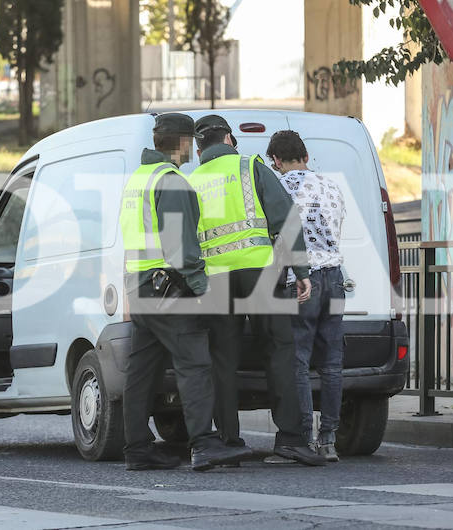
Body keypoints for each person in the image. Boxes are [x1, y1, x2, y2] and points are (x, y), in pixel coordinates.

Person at [120, 112, 254, 472]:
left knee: (141, 372)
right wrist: (200, 286)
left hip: (141, 286)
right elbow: (180, 246)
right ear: (182, 143)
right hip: (169, 288)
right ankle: (205, 444)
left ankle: (137, 448)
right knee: (195, 364)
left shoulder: (138, 179)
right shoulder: (171, 181)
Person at [189, 114, 325, 466]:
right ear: (230, 139)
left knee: (223, 359)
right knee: (279, 350)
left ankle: (228, 441)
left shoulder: (191, 180)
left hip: (216, 277)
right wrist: (301, 270)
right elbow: (285, 218)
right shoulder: (250, 167)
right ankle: (291, 439)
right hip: (260, 271)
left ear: (198, 147)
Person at [266, 130, 347, 462]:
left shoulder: (280, 187)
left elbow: (280, 237)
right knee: (332, 362)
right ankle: (329, 439)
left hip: (303, 279)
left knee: (297, 359)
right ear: (306, 157)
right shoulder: (331, 186)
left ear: (276, 161)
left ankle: (303, 435)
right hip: (335, 277)